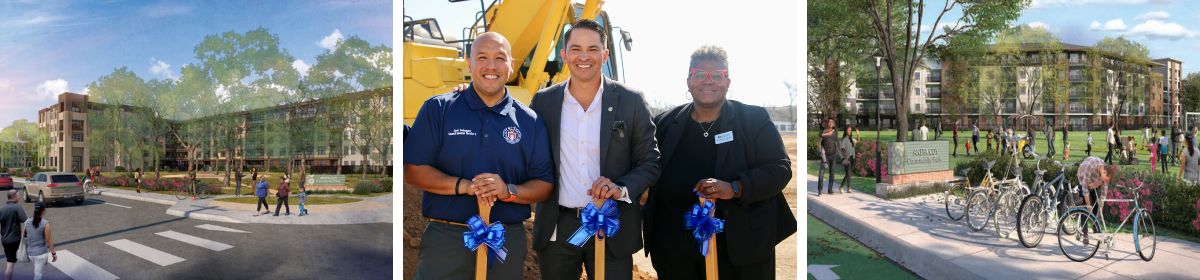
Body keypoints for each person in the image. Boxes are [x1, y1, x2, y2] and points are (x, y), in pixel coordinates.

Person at [406, 32, 554, 279]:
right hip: (447, 239)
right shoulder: (439, 109)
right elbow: (412, 170)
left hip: (505, 239)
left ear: (511, 65)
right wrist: (465, 186)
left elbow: (545, 185)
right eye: (482, 57)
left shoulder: (530, 122)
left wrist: (507, 191)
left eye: (500, 58)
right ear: (469, 63)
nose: (491, 66)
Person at [645, 45, 794, 279]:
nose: (708, 81)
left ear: (727, 81)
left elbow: (780, 169)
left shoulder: (753, 120)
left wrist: (735, 188)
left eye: (716, 75)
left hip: (740, 250)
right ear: (688, 81)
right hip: (674, 251)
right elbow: (646, 169)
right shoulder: (664, 123)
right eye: (699, 75)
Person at [528, 19, 660, 280]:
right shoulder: (544, 102)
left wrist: (620, 188)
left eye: (593, 49)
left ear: (605, 54)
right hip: (559, 229)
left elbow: (650, 162)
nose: (584, 56)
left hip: (613, 226)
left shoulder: (631, 101)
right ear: (565, 55)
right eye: (576, 49)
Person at [1075, 157, 1117, 239]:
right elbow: (1085, 188)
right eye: (1105, 180)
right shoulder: (1090, 166)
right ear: (1104, 172)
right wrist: (1088, 205)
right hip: (1083, 177)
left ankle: (1095, 227)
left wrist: (1099, 214)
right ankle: (1085, 233)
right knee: (1085, 206)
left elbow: (1103, 196)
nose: (1105, 182)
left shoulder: (1105, 176)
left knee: (1096, 204)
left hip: (1095, 180)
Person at [21, 202, 55, 280]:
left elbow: (23, 235)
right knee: (38, 275)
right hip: (41, 254)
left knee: (37, 272)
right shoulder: (45, 223)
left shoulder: (27, 221)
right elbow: (49, 241)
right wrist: (54, 253)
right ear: (43, 211)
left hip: (30, 253)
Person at [0, 190, 25, 280]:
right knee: (10, 262)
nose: (19, 197)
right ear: (13, 197)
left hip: (4, 239)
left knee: (9, 260)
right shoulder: (17, 207)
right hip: (14, 240)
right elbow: (24, 220)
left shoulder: (2, 208)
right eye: (18, 195)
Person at [817, 118, 838, 196]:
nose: (830, 123)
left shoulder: (835, 132)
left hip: (833, 155)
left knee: (832, 173)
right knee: (821, 173)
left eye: (832, 122)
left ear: (833, 123)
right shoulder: (823, 132)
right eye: (829, 122)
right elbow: (819, 143)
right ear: (827, 123)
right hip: (825, 156)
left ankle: (830, 189)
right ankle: (820, 190)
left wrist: (841, 155)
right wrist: (820, 152)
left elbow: (837, 143)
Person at [838, 126, 856, 193]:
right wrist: (845, 158)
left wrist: (858, 134)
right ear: (845, 131)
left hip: (853, 157)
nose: (850, 131)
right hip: (847, 158)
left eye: (850, 130)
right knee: (848, 173)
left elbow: (857, 142)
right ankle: (841, 187)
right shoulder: (844, 139)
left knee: (849, 173)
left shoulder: (851, 139)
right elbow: (842, 149)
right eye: (848, 130)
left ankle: (848, 188)